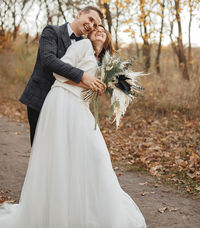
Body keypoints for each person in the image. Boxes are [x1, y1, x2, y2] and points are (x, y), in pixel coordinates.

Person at [0, 25, 147, 227]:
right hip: (62, 101)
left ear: (107, 39)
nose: (98, 31)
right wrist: (87, 83)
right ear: (89, 34)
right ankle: (57, 213)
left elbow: (101, 88)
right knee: (61, 155)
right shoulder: (82, 45)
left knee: (95, 155)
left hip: (81, 107)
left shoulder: (106, 62)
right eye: (95, 29)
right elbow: (59, 74)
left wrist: (112, 89)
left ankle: (89, 210)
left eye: (103, 30)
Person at [19, 6, 106, 146]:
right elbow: (49, 60)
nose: (91, 25)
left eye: (95, 24)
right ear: (79, 14)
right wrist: (82, 76)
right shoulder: (52, 31)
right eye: (90, 19)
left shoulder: (85, 45)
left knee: (60, 148)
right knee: (40, 147)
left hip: (67, 103)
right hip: (40, 97)